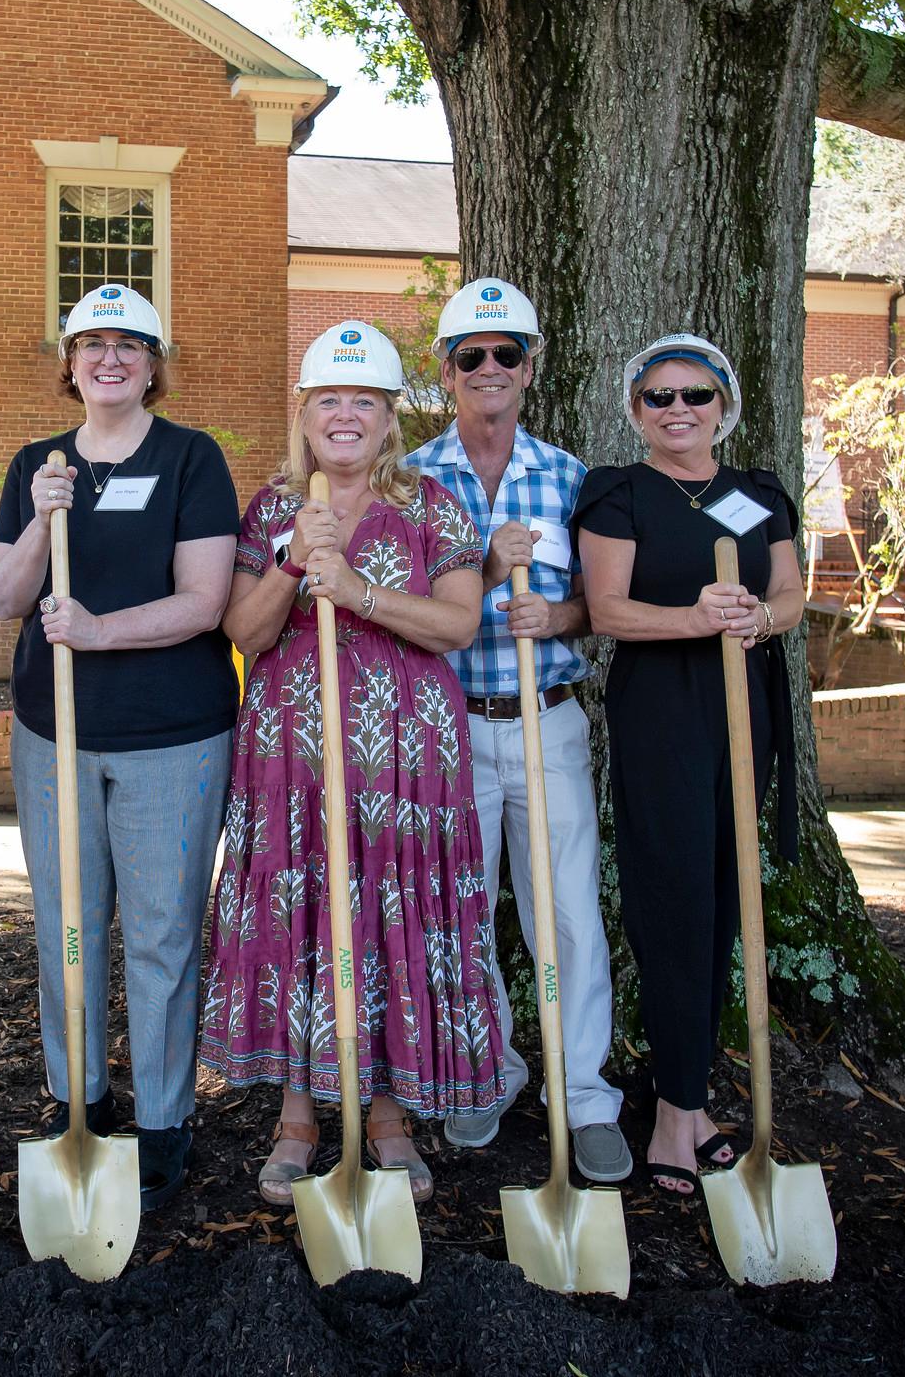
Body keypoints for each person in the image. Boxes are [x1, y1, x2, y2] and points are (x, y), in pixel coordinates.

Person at [198, 320, 503, 1206]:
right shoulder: (268, 510)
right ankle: (297, 1118)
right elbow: (243, 634)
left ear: (387, 418)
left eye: (362, 401)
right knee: (307, 927)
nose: (344, 415)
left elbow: (457, 624)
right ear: (303, 414)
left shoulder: (432, 503)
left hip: (406, 767)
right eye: (328, 399)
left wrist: (361, 593)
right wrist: (296, 564)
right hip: (291, 764)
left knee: (382, 921)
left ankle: (387, 1118)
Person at [0, 283, 238, 1211]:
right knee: (68, 929)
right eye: (93, 343)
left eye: (130, 344)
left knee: (164, 932)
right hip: (55, 733)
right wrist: (46, 516)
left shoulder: (189, 458)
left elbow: (204, 601)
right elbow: (4, 599)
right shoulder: (34, 465)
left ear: (153, 364)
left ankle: (164, 1116)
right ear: (69, 362)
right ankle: (77, 1099)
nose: (111, 359)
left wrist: (99, 632)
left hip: (173, 734)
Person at [404, 278, 631, 1183]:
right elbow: (397, 607)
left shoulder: (570, 477)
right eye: (471, 356)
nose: (489, 369)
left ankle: (583, 1097)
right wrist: (481, 581)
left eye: (507, 354)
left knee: (566, 915)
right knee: (460, 916)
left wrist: (563, 616)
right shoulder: (412, 478)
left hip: (547, 721)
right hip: (448, 728)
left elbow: (599, 603)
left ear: (529, 368)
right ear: (446, 371)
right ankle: (486, 1074)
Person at [572, 332, 804, 1198]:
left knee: (721, 900)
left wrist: (757, 621)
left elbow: (789, 592)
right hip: (661, 712)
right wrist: (698, 618)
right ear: (636, 410)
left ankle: (694, 1096)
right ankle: (673, 1117)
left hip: (741, 712)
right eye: (658, 397)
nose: (678, 410)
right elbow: (606, 611)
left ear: (722, 405)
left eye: (695, 395)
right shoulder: (619, 493)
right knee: (672, 900)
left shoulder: (758, 494)